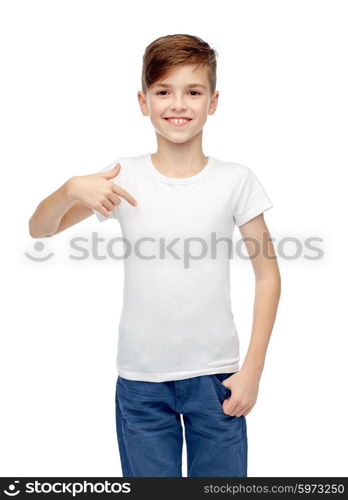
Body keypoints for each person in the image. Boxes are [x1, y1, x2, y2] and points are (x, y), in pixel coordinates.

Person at [29, 33, 281, 477]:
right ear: (143, 101)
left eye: (193, 91)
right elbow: (40, 228)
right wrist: (71, 188)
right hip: (142, 384)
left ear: (214, 101)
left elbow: (267, 275)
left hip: (217, 380)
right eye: (163, 91)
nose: (178, 104)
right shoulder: (122, 177)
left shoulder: (236, 181)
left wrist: (253, 370)